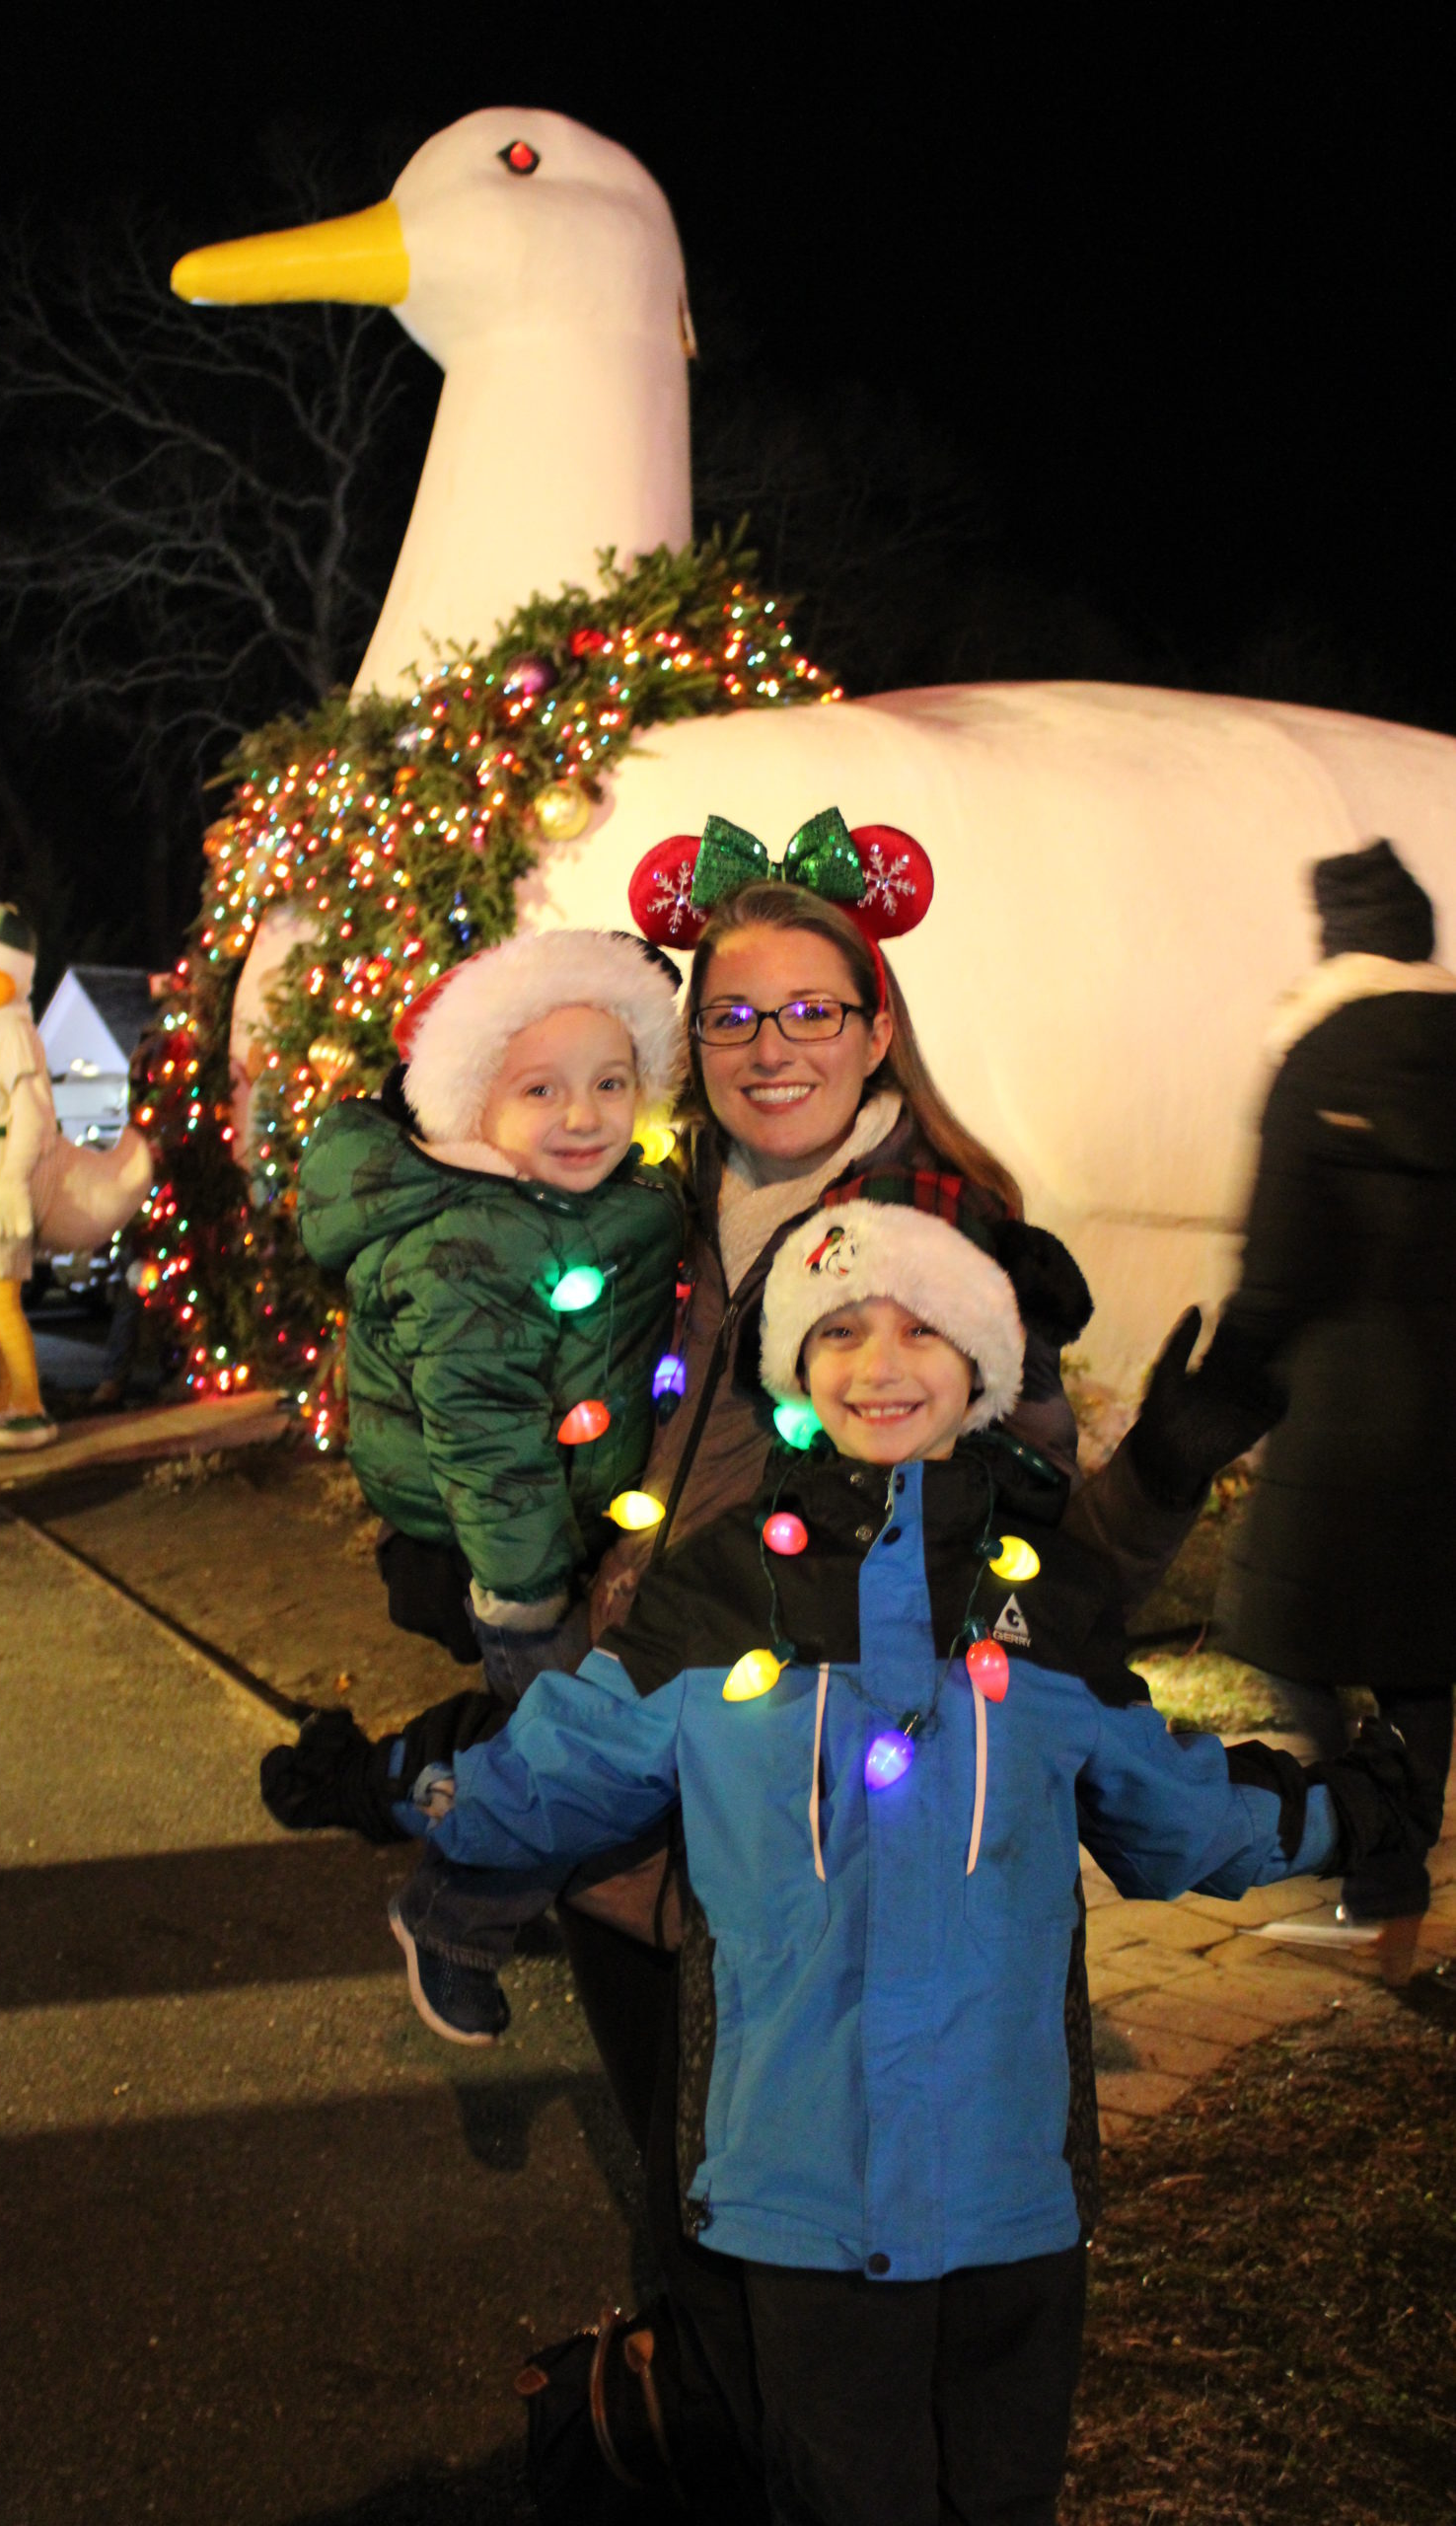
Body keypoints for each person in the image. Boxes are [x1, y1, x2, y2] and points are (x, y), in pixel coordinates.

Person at [405, 1196, 1435, 2526]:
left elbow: (1172, 1816)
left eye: (918, 1329)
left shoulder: (1042, 1596)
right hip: (792, 2192)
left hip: (1005, 2193)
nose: (876, 1363)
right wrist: (409, 1778)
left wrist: (1348, 1810)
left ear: (981, 1371)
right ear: (792, 1366)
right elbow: (549, 1779)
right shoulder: (721, 1593)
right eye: (836, 1330)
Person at [289, 929, 688, 2040]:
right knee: (580, 1763)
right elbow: (486, 1437)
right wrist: (523, 1597)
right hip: (502, 1548)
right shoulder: (464, 1240)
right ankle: (451, 1918)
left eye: (613, 1083)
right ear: (471, 1102)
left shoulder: (609, 1199)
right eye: (542, 1088)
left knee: (569, 1753)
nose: (585, 1114)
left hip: (576, 1519)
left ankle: (389, 1783)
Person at [1217, 836, 1456, 1934]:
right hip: (1444, 1404)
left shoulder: (1318, 1057)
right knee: (1421, 1649)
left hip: (1344, 1408)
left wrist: (1226, 1383)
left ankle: (1375, 1871)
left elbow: (1279, 1262)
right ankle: (1389, 1883)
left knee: (1281, 1631)